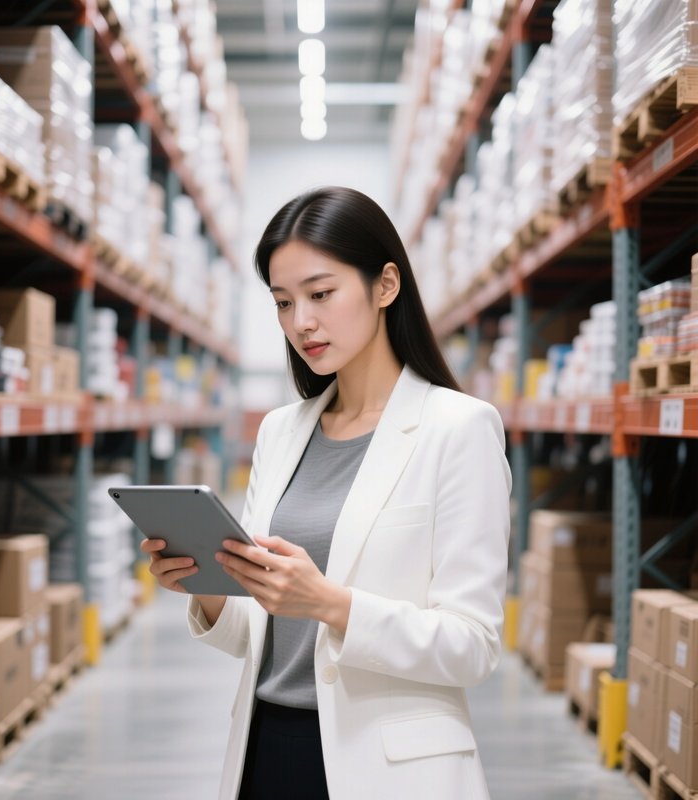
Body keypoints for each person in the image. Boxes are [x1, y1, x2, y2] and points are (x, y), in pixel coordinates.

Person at [141, 186, 511, 799]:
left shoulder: (459, 428)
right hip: (264, 750)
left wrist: (330, 603)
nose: (301, 322)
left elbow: (472, 647)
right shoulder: (282, 432)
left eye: (320, 294)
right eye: (283, 302)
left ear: (385, 285)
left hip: (389, 769)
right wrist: (206, 587)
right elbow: (255, 637)